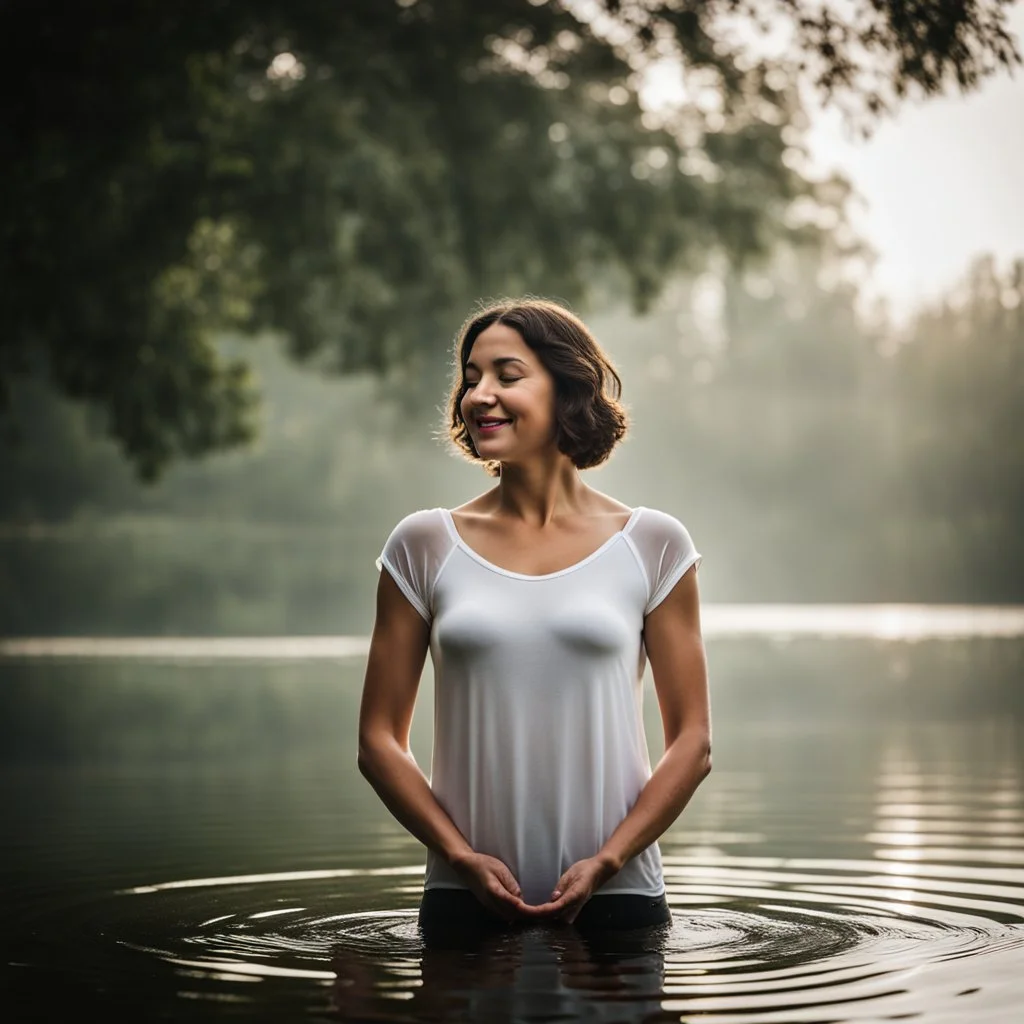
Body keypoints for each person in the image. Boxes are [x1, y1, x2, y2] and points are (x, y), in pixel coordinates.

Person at [357, 297, 712, 940]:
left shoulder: (654, 543)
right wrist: (460, 858)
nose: (479, 395)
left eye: (506, 375)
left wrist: (609, 860)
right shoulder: (423, 543)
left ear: (567, 389)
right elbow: (379, 740)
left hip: (620, 900)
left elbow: (693, 743)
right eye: (470, 378)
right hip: (463, 902)